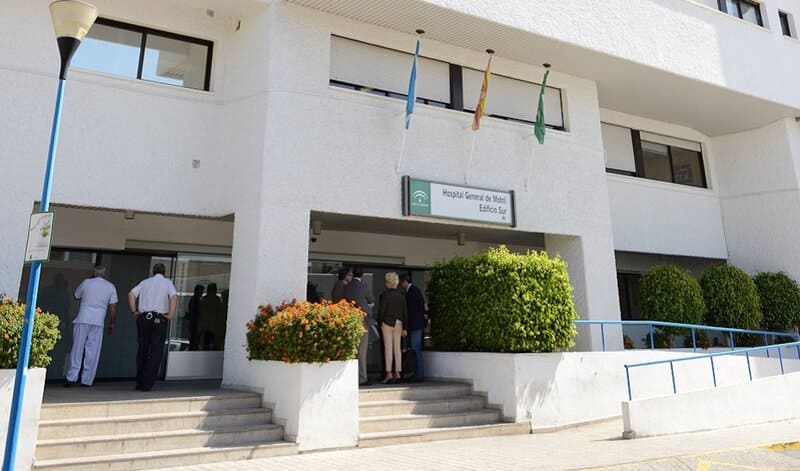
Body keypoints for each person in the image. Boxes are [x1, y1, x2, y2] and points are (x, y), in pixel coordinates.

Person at [64, 266, 118, 387]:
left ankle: (71, 377)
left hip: (83, 318)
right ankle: (87, 380)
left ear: (94, 272)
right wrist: (112, 322)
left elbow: (76, 295)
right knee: (93, 351)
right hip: (98, 321)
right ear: (104, 274)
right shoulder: (110, 286)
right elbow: (113, 308)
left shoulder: (87, 282)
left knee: (77, 349)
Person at [128, 263, 177, 392]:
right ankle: (147, 382)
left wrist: (134, 311)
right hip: (158, 318)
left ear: (153, 272)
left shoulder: (145, 282)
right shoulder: (167, 283)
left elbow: (131, 294)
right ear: (164, 272)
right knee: (156, 351)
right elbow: (174, 297)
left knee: (142, 350)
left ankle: (140, 382)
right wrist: (171, 314)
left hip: (144, 318)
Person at [344, 267, 374, 386]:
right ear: (362, 275)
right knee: (362, 350)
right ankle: (362, 378)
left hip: (350, 320)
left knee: (352, 350)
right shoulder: (364, 286)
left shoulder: (347, 287)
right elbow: (371, 300)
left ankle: (351, 377)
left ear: (352, 275)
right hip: (363, 320)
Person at [378, 272, 407, 384]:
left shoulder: (385, 295)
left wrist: (380, 323)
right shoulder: (401, 295)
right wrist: (405, 327)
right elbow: (405, 312)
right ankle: (398, 373)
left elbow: (382, 311)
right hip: (399, 323)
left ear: (388, 282)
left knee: (388, 349)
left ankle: (389, 373)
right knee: (397, 349)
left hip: (387, 323)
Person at [400, 273, 427, 382]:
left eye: (401, 282)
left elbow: (411, 311)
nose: (401, 285)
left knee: (416, 349)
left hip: (415, 325)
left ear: (405, 282)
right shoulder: (415, 290)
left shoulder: (412, 292)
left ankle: (419, 374)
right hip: (417, 324)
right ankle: (417, 373)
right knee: (416, 349)